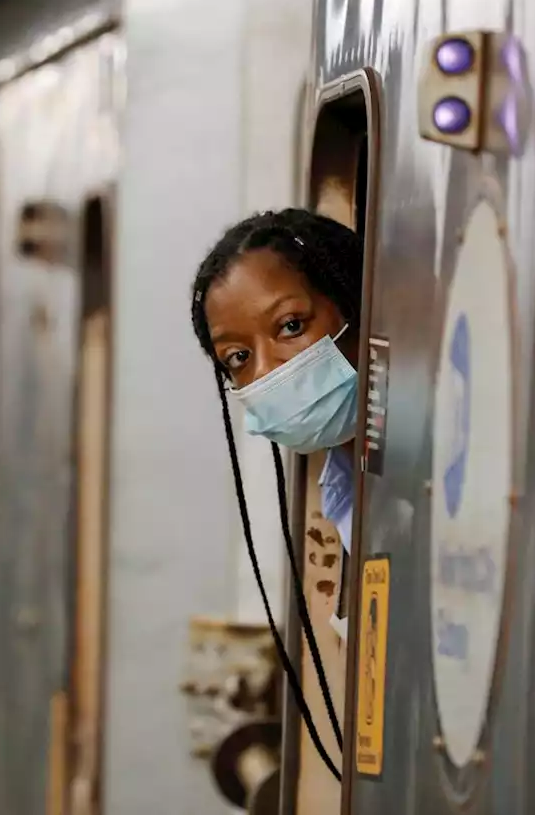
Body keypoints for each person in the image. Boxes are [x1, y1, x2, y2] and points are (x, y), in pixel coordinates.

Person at [189, 207, 365, 780]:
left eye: (290, 325)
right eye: (237, 359)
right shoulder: (337, 483)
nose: (266, 371)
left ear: (355, 301)